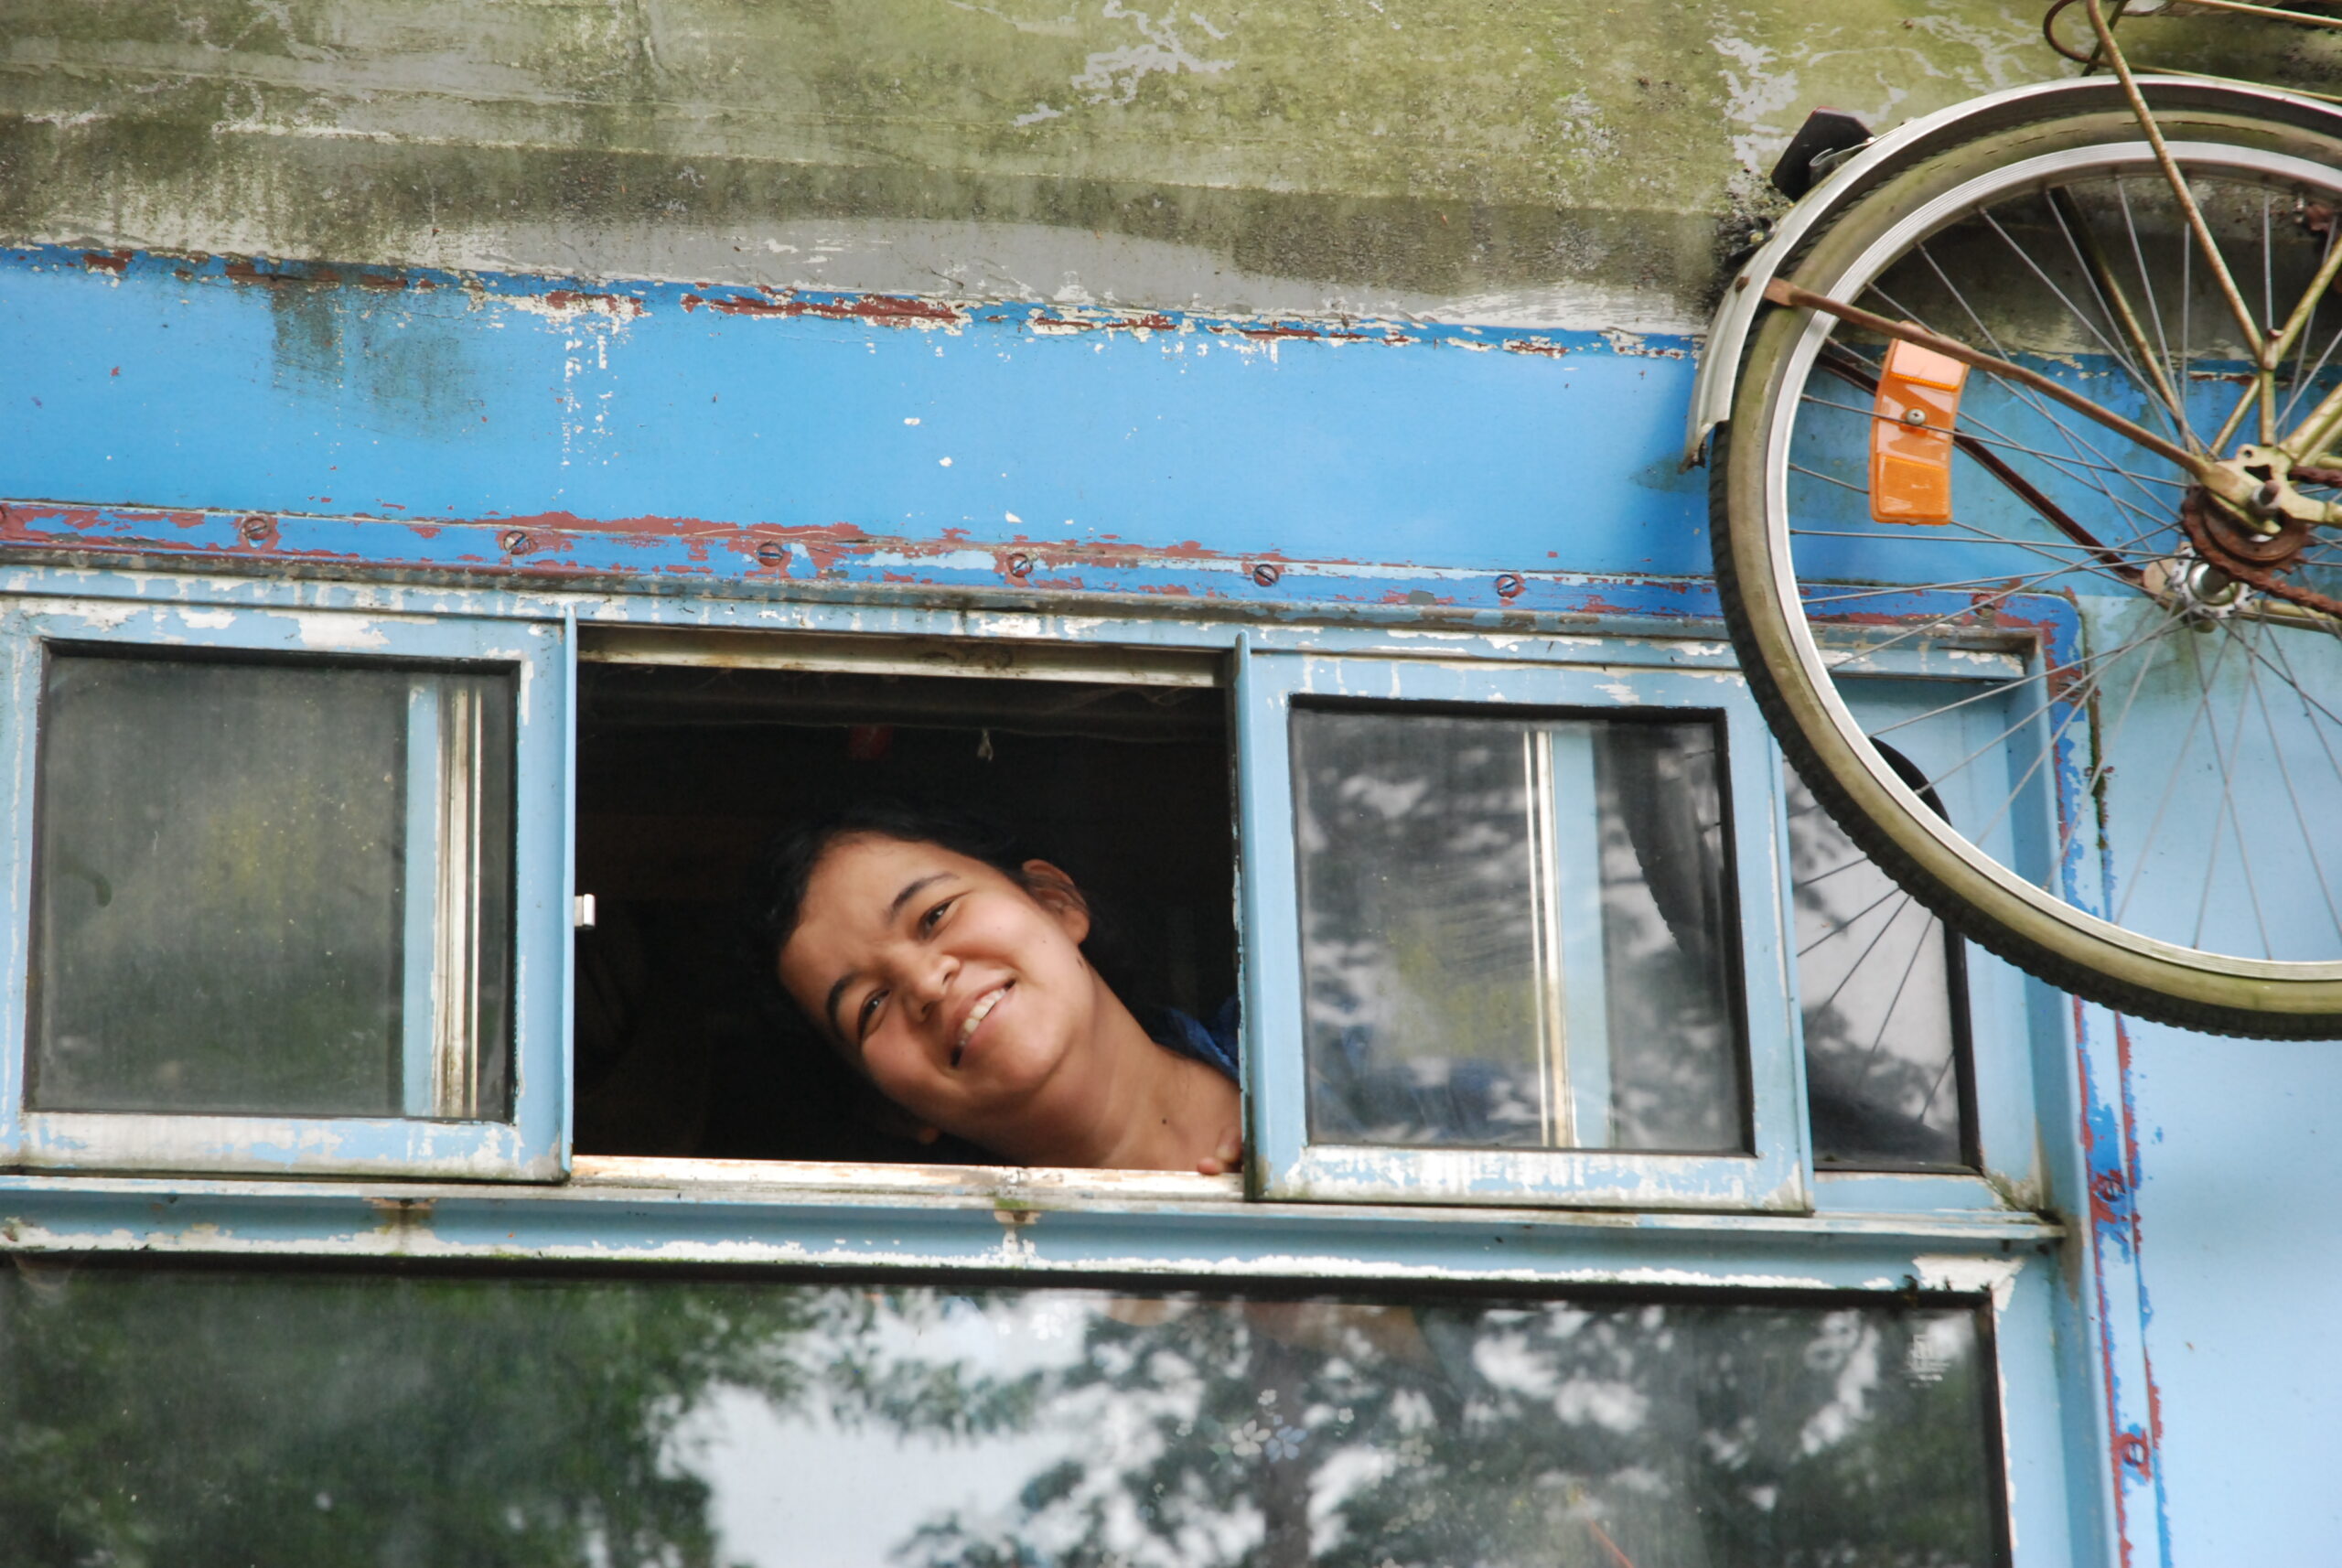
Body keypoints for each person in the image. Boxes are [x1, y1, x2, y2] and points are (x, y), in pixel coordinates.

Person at [751, 800, 1242, 1175]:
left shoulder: (1291, 1037)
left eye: (935, 915)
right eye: (872, 1006)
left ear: (1053, 902)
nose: (926, 984)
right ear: (891, 1110)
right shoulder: (953, 1283)